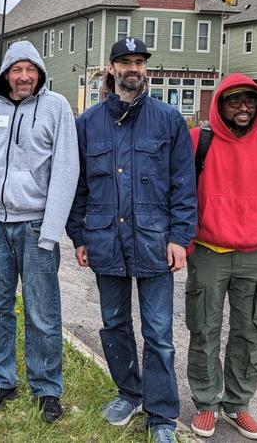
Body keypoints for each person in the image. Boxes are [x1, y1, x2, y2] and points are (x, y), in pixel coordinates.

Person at [66, 37, 197, 443]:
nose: (133, 68)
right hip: (106, 241)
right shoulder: (88, 124)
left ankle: (161, 416)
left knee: (159, 333)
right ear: (111, 69)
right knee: (114, 324)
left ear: (146, 70)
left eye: (139, 61)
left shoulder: (169, 120)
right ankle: (129, 392)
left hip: (155, 242)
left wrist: (180, 237)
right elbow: (79, 186)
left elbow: (183, 186)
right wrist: (80, 235)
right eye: (125, 61)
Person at [0, 40, 79, 421]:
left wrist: (51, 230)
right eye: (17, 69)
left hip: (36, 227)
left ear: (40, 73)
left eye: (31, 69)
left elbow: (67, 170)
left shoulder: (56, 108)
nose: (24, 76)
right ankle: (1, 380)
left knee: (42, 311)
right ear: (6, 73)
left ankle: (47, 388)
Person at [185, 74, 257, 440]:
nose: (243, 108)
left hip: (255, 257)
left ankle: (237, 404)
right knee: (204, 332)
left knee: (250, 334)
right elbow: (182, 195)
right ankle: (206, 404)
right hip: (209, 254)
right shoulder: (199, 141)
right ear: (219, 104)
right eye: (234, 101)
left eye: (250, 101)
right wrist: (185, 244)